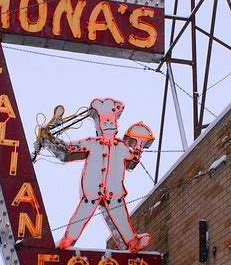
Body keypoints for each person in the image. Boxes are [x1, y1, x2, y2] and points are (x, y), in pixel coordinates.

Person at [40, 97, 154, 253]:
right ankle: (67, 240)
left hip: (114, 192)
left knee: (120, 218)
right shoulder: (91, 143)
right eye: (106, 123)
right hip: (92, 191)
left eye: (112, 123)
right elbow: (69, 148)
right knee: (81, 216)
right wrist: (51, 140)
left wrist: (139, 146)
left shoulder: (121, 146)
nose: (109, 126)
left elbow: (133, 159)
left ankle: (133, 242)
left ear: (116, 126)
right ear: (100, 125)